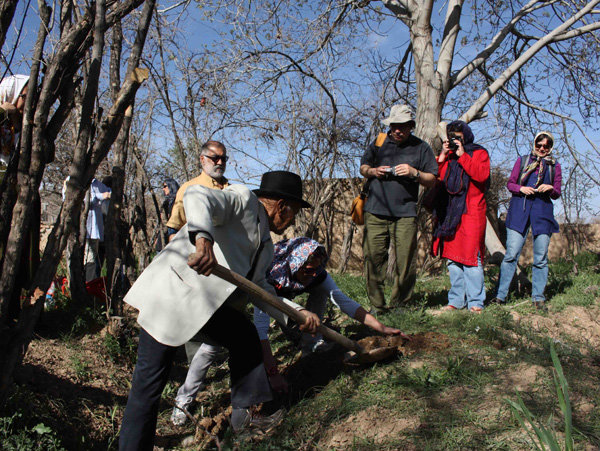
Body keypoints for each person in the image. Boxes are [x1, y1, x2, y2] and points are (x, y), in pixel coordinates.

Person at [119, 171, 320, 450]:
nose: (292, 220)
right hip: (170, 298)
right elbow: (196, 195)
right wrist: (203, 240)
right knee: (148, 386)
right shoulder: (243, 200)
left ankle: (245, 418)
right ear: (282, 206)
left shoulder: (266, 245)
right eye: (293, 213)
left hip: (203, 306)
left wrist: (297, 315)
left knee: (244, 335)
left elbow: (260, 288)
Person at [171, 237, 409, 426]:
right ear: (294, 263)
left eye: (316, 269)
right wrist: (273, 372)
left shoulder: (317, 275)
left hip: (288, 304)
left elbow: (343, 301)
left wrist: (381, 327)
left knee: (321, 293)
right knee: (212, 348)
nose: (311, 274)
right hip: (237, 299)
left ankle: (311, 347)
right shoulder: (270, 277)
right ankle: (184, 400)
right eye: (306, 269)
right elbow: (261, 332)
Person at [359, 104, 438, 313]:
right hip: (375, 211)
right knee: (373, 258)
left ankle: (400, 304)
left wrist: (414, 173)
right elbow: (363, 168)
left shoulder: (422, 148)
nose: (397, 130)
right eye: (394, 126)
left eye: (403, 126)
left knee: (405, 260)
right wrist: (374, 171)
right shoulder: (379, 142)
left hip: (405, 213)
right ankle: (377, 305)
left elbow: (432, 179)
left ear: (411, 126)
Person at [491, 132, 562, 310]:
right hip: (519, 213)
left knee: (541, 258)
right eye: (539, 145)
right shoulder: (522, 161)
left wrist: (551, 187)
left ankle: (538, 298)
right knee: (511, 255)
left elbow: (557, 192)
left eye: (546, 146)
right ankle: (500, 297)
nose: (542, 149)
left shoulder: (554, 166)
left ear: (550, 147)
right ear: (534, 144)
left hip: (542, 215)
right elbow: (511, 184)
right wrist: (521, 188)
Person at [432, 121, 490, 313]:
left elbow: (481, 175)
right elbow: (438, 180)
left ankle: (475, 302)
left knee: (472, 258)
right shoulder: (448, 157)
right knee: (453, 260)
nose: (456, 139)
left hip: (472, 213)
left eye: (459, 136)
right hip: (450, 214)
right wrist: (442, 155)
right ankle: (456, 301)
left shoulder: (479, 153)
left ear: (466, 136)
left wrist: (463, 155)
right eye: (452, 136)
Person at [166, 140, 228, 240]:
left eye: (223, 158)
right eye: (215, 158)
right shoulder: (188, 188)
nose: (220, 162)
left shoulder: (231, 190)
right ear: (202, 159)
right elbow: (174, 229)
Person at [84, 177, 111, 281]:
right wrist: (100, 196)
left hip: (95, 230)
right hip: (84, 229)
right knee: (84, 259)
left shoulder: (97, 184)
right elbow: (83, 200)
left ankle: (90, 286)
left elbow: (109, 191)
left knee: (92, 258)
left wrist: (108, 194)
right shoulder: (73, 180)